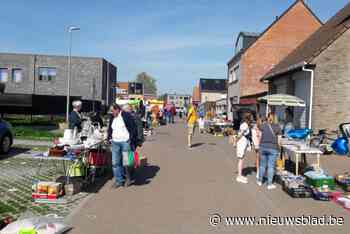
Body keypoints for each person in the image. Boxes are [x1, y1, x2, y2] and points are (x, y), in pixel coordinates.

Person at [108, 104, 137, 188]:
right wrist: (109, 137)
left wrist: (130, 139)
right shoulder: (112, 117)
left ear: (117, 109)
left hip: (125, 142)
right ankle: (119, 181)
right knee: (115, 163)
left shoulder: (126, 115)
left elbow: (133, 128)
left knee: (127, 162)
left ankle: (128, 178)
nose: (111, 113)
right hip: (115, 142)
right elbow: (110, 128)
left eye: (112, 111)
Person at [257, 112, 282, 190]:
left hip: (263, 147)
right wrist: (279, 148)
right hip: (273, 148)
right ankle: (269, 184)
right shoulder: (278, 127)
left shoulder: (263, 125)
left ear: (268, 118)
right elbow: (279, 141)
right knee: (271, 166)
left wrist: (259, 146)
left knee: (262, 165)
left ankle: (260, 181)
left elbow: (259, 136)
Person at [235, 113, 252, 184]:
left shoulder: (245, 124)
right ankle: (239, 176)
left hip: (243, 143)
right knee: (241, 159)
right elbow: (240, 134)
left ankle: (240, 175)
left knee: (242, 159)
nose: (252, 118)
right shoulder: (244, 125)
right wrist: (235, 141)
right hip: (241, 143)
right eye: (251, 117)